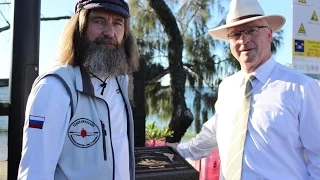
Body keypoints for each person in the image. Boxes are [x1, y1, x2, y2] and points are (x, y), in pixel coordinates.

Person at [167, 0, 320, 179]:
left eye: (252, 30)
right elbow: (213, 133)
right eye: (236, 33)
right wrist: (178, 150)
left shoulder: (301, 88)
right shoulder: (227, 87)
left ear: (269, 34)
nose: (244, 40)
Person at [18, 0, 139, 179]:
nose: (110, 32)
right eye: (99, 21)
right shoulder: (54, 88)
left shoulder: (120, 83)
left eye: (117, 23)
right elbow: (35, 172)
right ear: (79, 28)